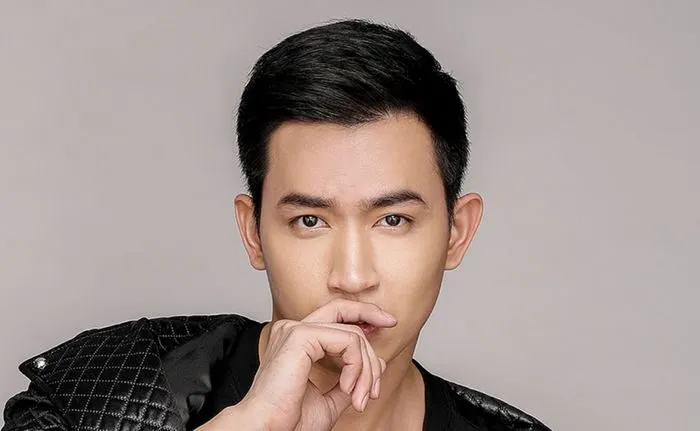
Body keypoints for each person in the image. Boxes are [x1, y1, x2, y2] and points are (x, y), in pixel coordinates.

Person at [2, 19, 551, 431]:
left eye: (392, 219)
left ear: (457, 232)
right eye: (310, 220)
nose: (352, 277)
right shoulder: (88, 401)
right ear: (253, 232)